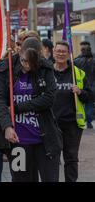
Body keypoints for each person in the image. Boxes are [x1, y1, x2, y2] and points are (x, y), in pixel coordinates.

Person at [0, 37, 62, 182]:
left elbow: (49, 98)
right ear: (19, 52)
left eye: (32, 62)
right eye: (24, 61)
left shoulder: (45, 67)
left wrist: (16, 108)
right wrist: (6, 126)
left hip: (44, 138)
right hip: (19, 140)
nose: (28, 66)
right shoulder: (6, 67)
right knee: (21, 179)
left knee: (50, 178)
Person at [53, 40, 93, 182]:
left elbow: (90, 96)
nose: (61, 54)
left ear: (69, 54)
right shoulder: (47, 72)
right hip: (51, 124)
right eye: (58, 51)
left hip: (72, 124)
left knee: (71, 159)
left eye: (64, 51)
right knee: (52, 159)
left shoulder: (78, 73)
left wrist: (80, 91)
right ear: (53, 52)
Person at [74, 41, 95, 129]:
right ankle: (87, 121)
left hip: (83, 88)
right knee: (89, 106)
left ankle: (86, 121)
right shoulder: (78, 60)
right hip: (89, 88)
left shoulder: (76, 60)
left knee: (84, 106)